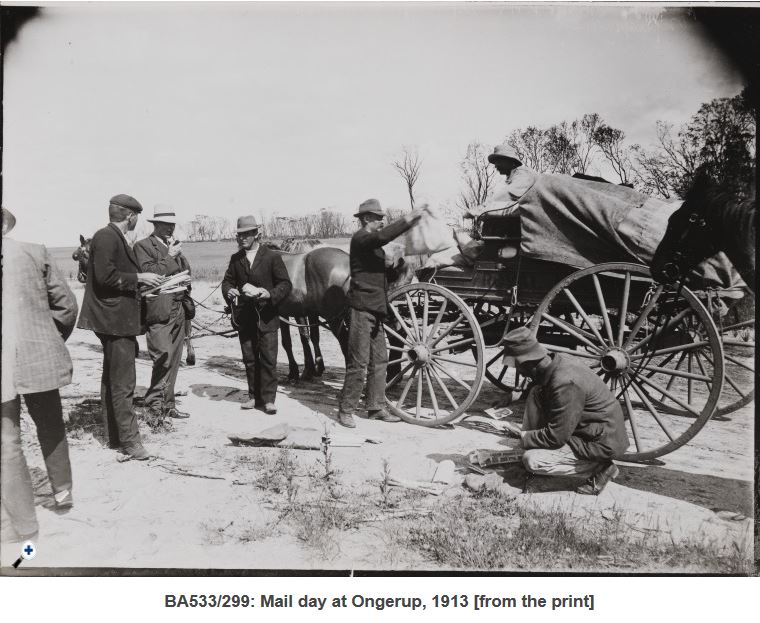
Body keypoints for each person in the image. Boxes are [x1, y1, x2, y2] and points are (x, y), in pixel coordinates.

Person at [1, 208, 78, 543]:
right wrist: (49, 338)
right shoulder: (35, 252)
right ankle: (62, 493)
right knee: (50, 424)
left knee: (7, 442)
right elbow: (66, 306)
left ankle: (24, 525)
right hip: (38, 356)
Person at [76, 194, 164, 460]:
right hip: (114, 321)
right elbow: (105, 277)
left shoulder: (109, 237)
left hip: (115, 319)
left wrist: (141, 286)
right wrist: (140, 277)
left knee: (112, 380)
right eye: (137, 216)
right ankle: (130, 442)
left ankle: (116, 437)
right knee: (124, 383)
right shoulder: (106, 237)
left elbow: (111, 278)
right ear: (132, 216)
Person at [500, 327, 629, 495]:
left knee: (532, 460)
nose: (520, 373)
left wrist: (523, 435)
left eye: (519, 368)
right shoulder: (556, 361)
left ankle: (602, 467)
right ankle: (537, 446)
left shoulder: (565, 383)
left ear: (529, 363)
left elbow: (556, 437)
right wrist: (513, 396)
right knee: (536, 393)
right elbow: (536, 383)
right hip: (587, 429)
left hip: (600, 441)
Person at [336, 199, 425, 428]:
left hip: (377, 309)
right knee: (358, 362)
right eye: (378, 217)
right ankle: (346, 410)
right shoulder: (362, 238)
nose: (381, 220)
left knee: (380, 360)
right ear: (366, 219)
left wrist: (395, 265)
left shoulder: (374, 247)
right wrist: (409, 219)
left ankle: (375, 407)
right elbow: (382, 236)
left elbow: (381, 271)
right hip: (362, 308)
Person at [222, 216, 292, 414]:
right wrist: (229, 291)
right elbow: (227, 282)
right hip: (245, 317)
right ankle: (253, 397)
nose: (242, 238)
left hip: (268, 317)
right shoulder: (236, 259)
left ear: (256, 235)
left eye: (246, 234)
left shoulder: (271, 257)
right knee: (250, 358)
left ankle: (269, 400)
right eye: (239, 235)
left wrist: (270, 294)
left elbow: (285, 284)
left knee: (269, 359)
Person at [133, 205, 191, 422]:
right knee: (162, 356)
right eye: (165, 224)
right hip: (159, 310)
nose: (170, 228)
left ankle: (168, 405)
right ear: (155, 225)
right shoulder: (142, 246)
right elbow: (151, 274)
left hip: (178, 309)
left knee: (175, 359)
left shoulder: (173, 246)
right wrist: (170, 255)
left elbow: (185, 271)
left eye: (172, 224)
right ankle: (153, 407)